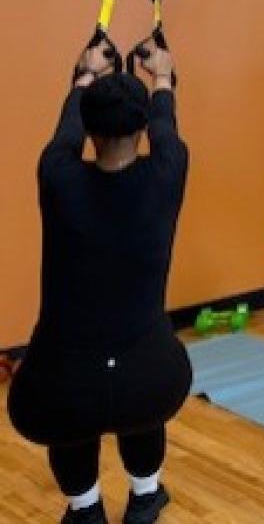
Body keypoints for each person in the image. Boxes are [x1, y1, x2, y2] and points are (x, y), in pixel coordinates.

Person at [7, 41, 189, 524]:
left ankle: (86, 510)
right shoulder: (168, 173)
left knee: (74, 410)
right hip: (151, 381)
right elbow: (166, 127)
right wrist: (164, 77)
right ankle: (146, 497)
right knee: (137, 396)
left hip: (64, 385)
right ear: (141, 127)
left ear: (90, 130)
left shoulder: (58, 175)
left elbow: (66, 132)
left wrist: (84, 76)